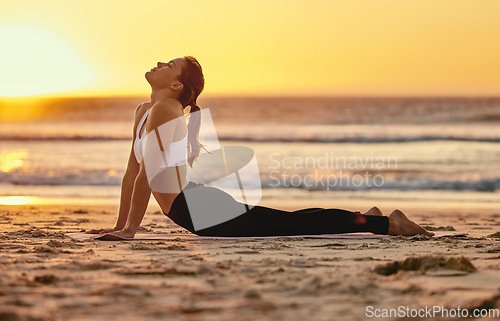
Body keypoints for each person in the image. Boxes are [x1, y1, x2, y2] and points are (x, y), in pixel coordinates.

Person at [87, 56, 434, 239]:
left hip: (197, 209)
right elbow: (132, 173)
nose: (160, 62)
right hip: (194, 205)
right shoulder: (144, 111)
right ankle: (369, 217)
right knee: (287, 222)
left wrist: (130, 231)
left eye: (170, 65)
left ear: (176, 84)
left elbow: (148, 175)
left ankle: (388, 224)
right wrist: (120, 226)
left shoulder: (167, 110)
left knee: (291, 226)